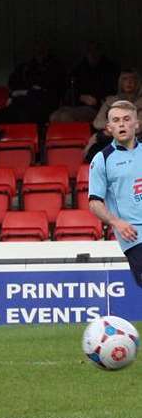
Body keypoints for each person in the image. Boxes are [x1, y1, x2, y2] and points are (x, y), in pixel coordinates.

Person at [88, 100, 142, 287]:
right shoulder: (102, 159)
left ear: (137, 123)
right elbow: (94, 203)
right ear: (109, 127)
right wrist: (116, 222)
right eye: (116, 120)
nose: (121, 124)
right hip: (134, 234)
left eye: (126, 119)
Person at [50, 41, 119, 124]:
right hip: (77, 106)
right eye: (89, 50)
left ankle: (74, 136)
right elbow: (69, 89)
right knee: (54, 116)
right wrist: (80, 97)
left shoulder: (109, 69)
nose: (92, 53)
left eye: (95, 50)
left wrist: (96, 99)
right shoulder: (80, 68)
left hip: (97, 109)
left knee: (66, 117)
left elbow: (112, 93)